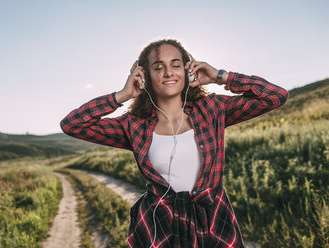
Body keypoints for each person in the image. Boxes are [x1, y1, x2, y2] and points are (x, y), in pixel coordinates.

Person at [60, 39, 289, 248]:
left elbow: (274, 96)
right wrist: (122, 94)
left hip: (213, 221)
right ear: (145, 76)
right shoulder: (134, 125)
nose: (168, 72)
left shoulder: (212, 109)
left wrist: (220, 76)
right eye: (158, 67)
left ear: (188, 70)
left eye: (176, 65)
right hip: (160, 226)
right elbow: (72, 124)